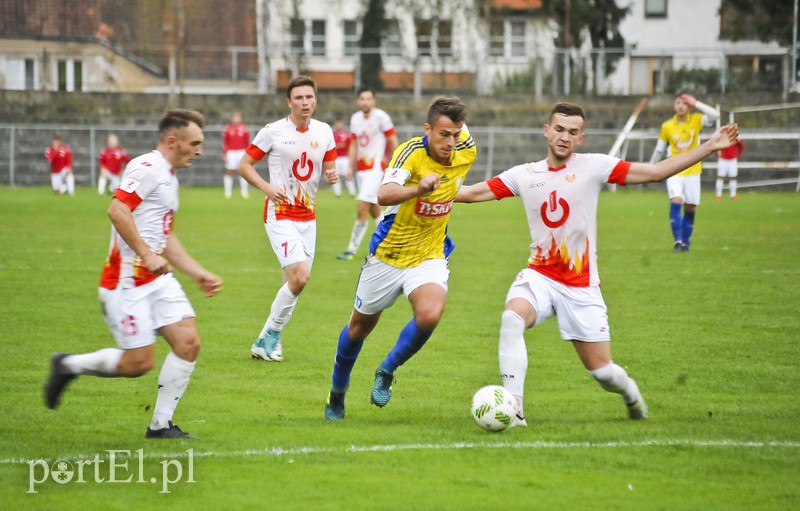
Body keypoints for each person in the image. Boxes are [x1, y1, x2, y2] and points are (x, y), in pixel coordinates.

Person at [455, 102, 739, 424]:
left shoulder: (595, 167)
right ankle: (515, 410)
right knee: (511, 318)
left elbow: (656, 171)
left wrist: (711, 145)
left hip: (581, 287)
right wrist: (424, 188)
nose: (564, 136)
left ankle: (631, 395)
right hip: (540, 275)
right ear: (547, 131)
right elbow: (470, 194)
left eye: (572, 132)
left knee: (603, 373)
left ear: (581, 138)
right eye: (559, 129)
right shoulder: (524, 174)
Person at [44, 109, 222, 439]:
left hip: (157, 280)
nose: (200, 150)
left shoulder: (170, 177)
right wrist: (145, 254)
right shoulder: (147, 167)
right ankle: (67, 365)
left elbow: (163, 237)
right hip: (125, 282)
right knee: (138, 364)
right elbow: (117, 209)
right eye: (194, 143)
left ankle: (160, 426)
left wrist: (197, 273)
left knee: (188, 342)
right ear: (173, 141)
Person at [324, 96, 477, 420]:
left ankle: (387, 370)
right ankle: (337, 394)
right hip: (388, 255)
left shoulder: (466, 149)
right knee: (357, 329)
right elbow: (383, 194)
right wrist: (417, 189)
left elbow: (464, 173)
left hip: (430, 254)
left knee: (430, 314)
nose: (451, 142)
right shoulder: (410, 152)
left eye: (456, 134)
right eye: (443, 134)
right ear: (427, 130)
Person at [238, 75, 338, 362]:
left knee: (292, 284)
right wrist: (268, 188)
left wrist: (333, 175)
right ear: (289, 102)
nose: (305, 103)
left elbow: (330, 168)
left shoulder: (325, 131)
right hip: (280, 214)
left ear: (315, 100)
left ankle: (268, 339)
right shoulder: (273, 131)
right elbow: (243, 165)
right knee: (301, 277)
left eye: (309, 97)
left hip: (309, 218)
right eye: (299, 98)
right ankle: (270, 334)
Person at [650, 92, 720, 252]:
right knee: (676, 200)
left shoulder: (696, 120)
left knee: (690, 207)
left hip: (693, 170)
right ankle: (678, 241)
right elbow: (660, 149)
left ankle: (685, 242)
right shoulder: (667, 126)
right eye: (678, 103)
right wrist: (650, 168)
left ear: (689, 106)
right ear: (674, 106)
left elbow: (715, 115)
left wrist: (696, 103)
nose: (680, 106)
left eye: (684, 103)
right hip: (673, 169)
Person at [336, 88, 399, 260]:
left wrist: (396, 165)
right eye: (362, 99)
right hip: (362, 170)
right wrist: (350, 166)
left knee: (361, 206)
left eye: (368, 98)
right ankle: (391, 243)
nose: (365, 102)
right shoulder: (355, 118)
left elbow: (393, 140)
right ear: (358, 101)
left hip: (376, 167)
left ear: (374, 101)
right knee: (374, 209)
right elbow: (354, 144)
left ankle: (351, 250)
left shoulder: (381, 117)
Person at [223, 111, 251, 199]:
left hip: (241, 151)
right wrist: (225, 153)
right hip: (231, 152)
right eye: (234, 117)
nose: (236, 119)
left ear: (240, 118)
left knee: (243, 171)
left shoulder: (244, 128)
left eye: (237, 117)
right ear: (232, 118)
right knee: (229, 170)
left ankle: (244, 191)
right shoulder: (228, 128)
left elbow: (247, 142)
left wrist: (247, 153)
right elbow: (225, 142)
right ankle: (228, 192)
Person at [331, 119, 357, 198]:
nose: (338, 125)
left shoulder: (347, 135)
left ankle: (352, 192)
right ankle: (337, 193)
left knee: (348, 175)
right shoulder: (332, 135)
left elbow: (351, 146)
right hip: (335, 158)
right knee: (335, 176)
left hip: (345, 158)